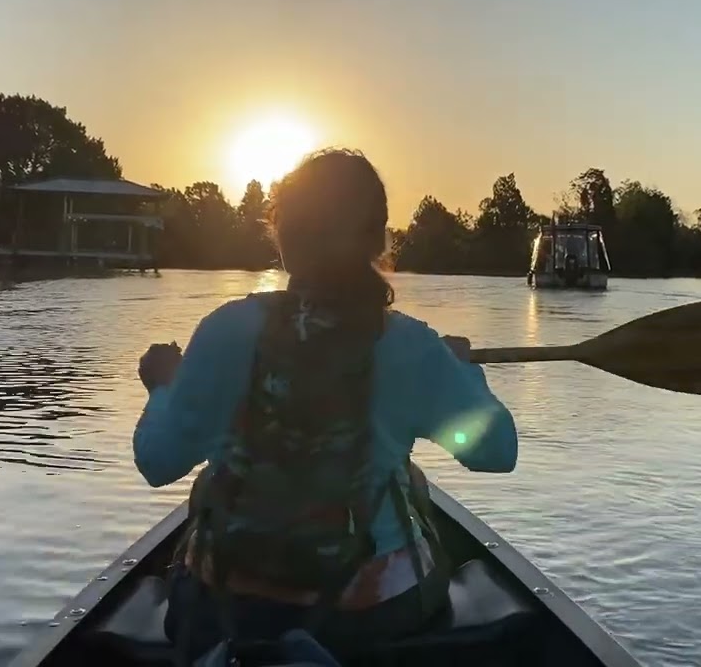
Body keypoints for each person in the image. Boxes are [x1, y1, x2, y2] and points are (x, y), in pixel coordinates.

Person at [132, 148, 518, 659]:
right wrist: (464, 372)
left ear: (285, 238)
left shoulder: (226, 329)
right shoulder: (411, 346)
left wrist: (164, 385)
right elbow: (495, 452)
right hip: (371, 620)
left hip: (218, 609)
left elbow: (157, 462)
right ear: (377, 239)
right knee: (414, 491)